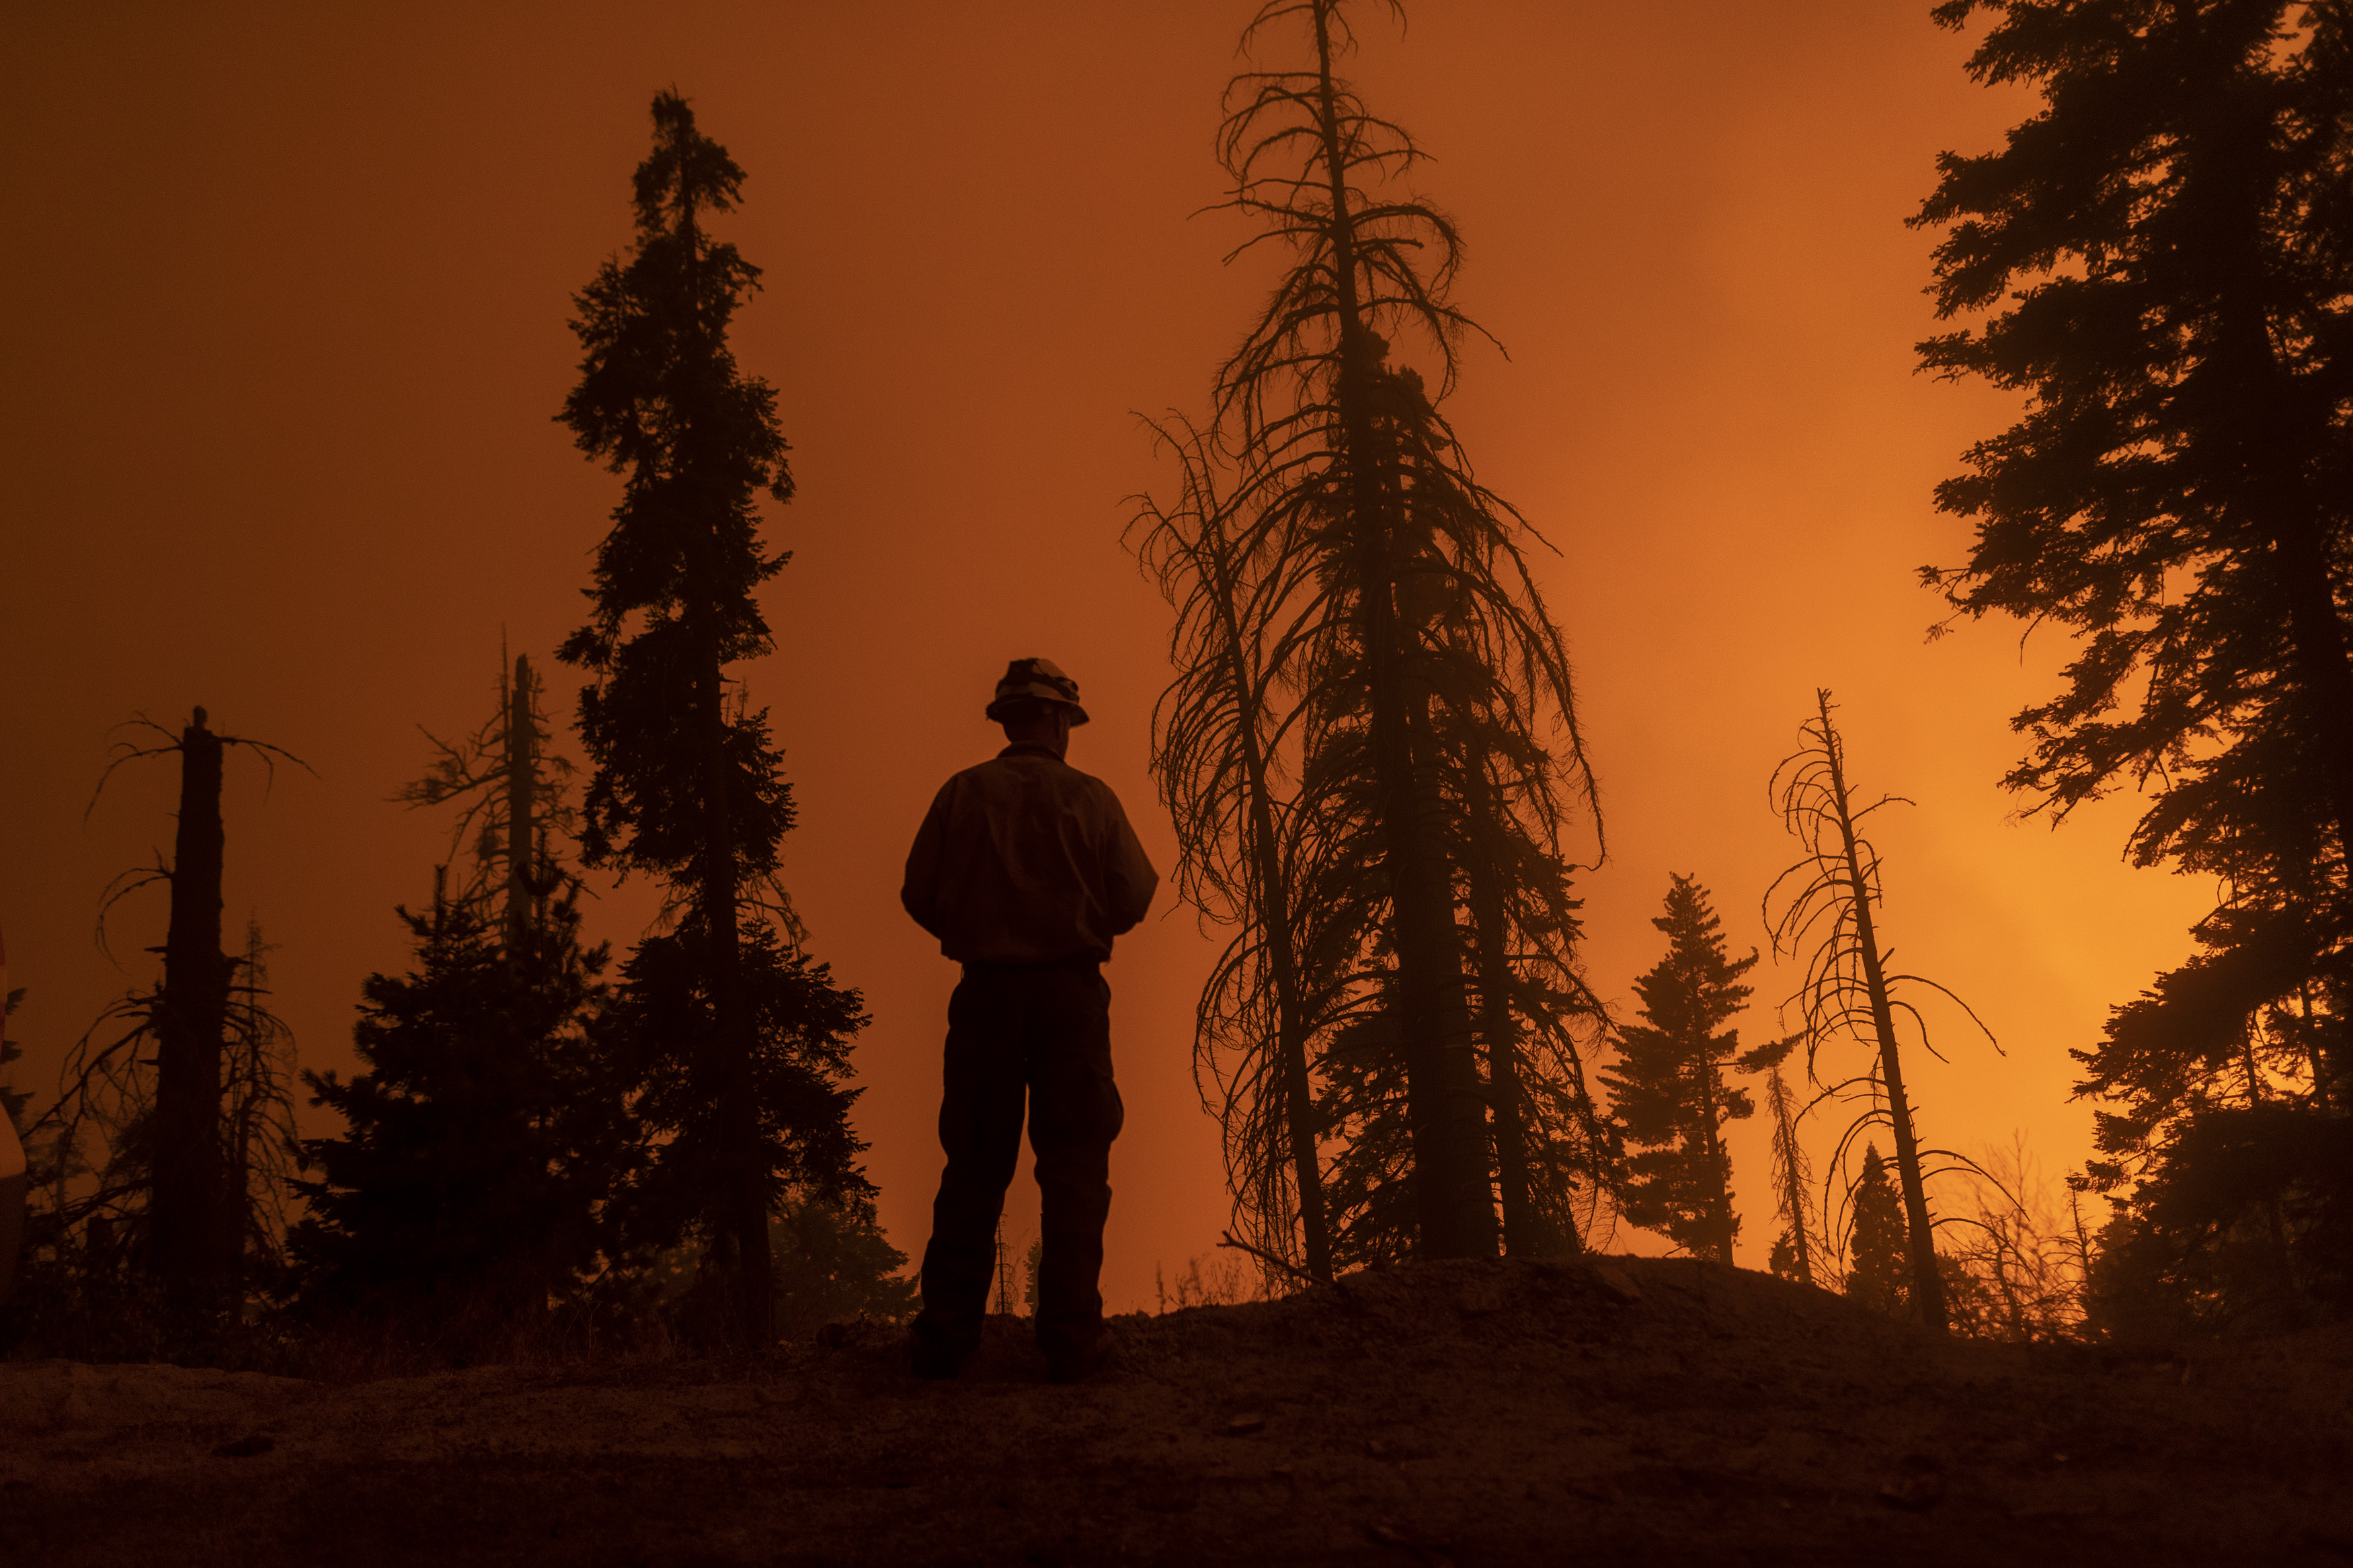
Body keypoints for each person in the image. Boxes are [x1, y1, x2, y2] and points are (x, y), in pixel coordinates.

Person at [900, 657, 1158, 1383]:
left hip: (984, 995)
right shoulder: (1091, 800)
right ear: (1053, 720)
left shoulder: (961, 795)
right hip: (1069, 999)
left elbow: (918, 892)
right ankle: (1072, 1340)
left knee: (975, 1159)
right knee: (1074, 1162)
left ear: (1010, 719)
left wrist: (978, 927)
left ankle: (944, 1340)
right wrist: (1073, 926)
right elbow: (1133, 894)